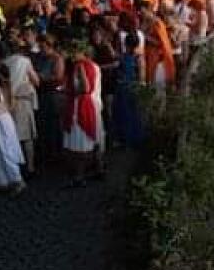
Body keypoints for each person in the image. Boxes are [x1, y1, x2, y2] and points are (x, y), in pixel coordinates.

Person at [61, 41, 104, 187]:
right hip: (94, 103)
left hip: (83, 105)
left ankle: (80, 175)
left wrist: (71, 91)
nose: (71, 55)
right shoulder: (95, 67)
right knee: (95, 139)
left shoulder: (81, 66)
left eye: (73, 52)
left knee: (82, 142)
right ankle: (98, 168)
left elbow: (85, 88)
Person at [2, 44, 40, 175]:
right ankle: (30, 166)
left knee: (12, 135)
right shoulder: (25, 61)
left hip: (7, 101)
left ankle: (14, 165)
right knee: (27, 136)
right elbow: (36, 81)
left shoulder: (4, 63)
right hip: (22, 100)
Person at [0, 65, 27, 195]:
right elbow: (11, 106)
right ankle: (3, 180)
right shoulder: (9, 87)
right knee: (9, 146)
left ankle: (16, 179)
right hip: (7, 119)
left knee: (3, 149)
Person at [34, 32, 65, 159]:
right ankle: (46, 151)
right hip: (41, 93)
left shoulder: (57, 58)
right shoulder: (39, 58)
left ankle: (57, 151)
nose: (41, 49)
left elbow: (58, 76)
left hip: (53, 94)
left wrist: (42, 77)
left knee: (54, 124)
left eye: (42, 46)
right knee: (43, 123)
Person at [113, 32, 146, 148]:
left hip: (126, 88)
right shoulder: (137, 57)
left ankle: (126, 139)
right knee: (131, 114)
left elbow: (140, 76)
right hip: (128, 88)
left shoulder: (127, 56)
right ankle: (131, 139)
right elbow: (141, 77)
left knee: (125, 114)